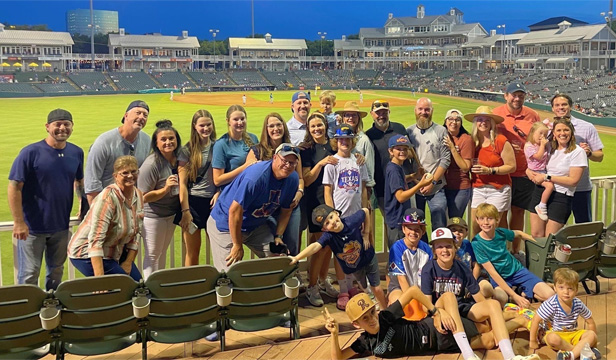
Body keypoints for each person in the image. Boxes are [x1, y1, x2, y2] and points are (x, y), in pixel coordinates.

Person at [324, 285, 540, 360]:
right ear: (356, 325)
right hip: (440, 346)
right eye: (365, 318)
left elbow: (414, 291)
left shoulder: (386, 316)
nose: (371, 319)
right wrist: (334, 334)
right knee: (489, 339)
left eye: (371, 312)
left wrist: (435, 312)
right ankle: (517, 317)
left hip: (435, 327)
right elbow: (339, 357)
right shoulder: (364, 343)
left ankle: (512, 316)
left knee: (483, 325)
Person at [422, 227, 537, 360]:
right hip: (443, 310)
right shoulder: (429, 269)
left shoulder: (462, 268)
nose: (445, 250)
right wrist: (438, 314)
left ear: (455, 247)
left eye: (448, 246)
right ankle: (469, 355)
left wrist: (494, 324)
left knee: (493, 304)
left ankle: (509, 356)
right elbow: (427, 305)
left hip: (462, 308)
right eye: (440, 247)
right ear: (434, 250)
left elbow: (479, 298)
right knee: (449, 295)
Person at [8, 109, 84, 290]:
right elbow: (14, 187)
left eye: (66, 124)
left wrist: (83, 205)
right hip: (32, 228)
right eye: (57, 124)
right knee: (29, 273)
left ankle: (51, 306)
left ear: (72, 127)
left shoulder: (76, 152)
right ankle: (27, 311)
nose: (62, 128)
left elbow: (79, 182)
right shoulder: (30, 152)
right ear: (47, 127)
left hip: (61, 226)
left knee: (56, 271)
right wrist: (19, 222)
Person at [207, 143, 299, 271]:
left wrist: (278, 236)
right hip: (226, 223)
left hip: (255, 226)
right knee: (229, 273)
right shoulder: (256, 177)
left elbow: (286, 210)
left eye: (292, 163)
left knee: (279, 261)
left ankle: (273, 289)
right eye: (284, 160)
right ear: (274, 158)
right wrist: (237, 244)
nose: (288, 165)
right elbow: (234, 211)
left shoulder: (292, 179)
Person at [290, 204, 387, 310]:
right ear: (324, 229)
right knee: (365, 288)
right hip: (354, 267)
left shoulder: (351, 222)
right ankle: (373, 303)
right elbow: (315, 247)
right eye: (327, 223)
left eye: (331, 217)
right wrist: (297, 258)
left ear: (336, 213)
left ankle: (385, 311)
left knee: (376, 287)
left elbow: (365, 211)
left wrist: (366, 233)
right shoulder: (329, 237)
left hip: (368, 258)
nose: (332, 222)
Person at [68, 156, 144, 281]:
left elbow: (135, 233)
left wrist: (128, 262)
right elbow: (96, 241)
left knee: (140, 287)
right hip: (86, 253)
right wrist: (100, 281)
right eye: (125, 173)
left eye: (133, 171)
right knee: (123, 287)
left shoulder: (138, 195)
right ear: (115, 176)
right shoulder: (107, 198)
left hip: (115, 251)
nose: (130, 176)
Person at [472, 203, 555, 308]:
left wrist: (538, 245)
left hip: (517, 271)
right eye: (482, 219)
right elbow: (493, 273)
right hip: (499, 276)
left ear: (497, 220)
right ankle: (519, 293)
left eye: (490, 218)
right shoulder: (476, 243)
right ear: (477, 220)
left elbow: (519, 233)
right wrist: (514, 296)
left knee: (550, 295)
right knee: (501, 299)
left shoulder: (500, 233)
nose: (486, 222)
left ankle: (524, 292)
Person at [322, 124, 369, 310]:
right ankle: (342, 288)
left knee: (352, 250)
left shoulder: (358, 161)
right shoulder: (332, 162)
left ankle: (350, 287)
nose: (344, 142)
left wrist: (365, 211)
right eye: (341, 139)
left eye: (348, 139)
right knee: (340, 253)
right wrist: (331, 215)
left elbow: (364, 189)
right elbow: (328, 191)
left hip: (355, 214)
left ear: (352, 141)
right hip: (339, 217)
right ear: (336, 141)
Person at [246, 112, 304, 256]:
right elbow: (247, 178)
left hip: (289, 205)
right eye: (271, 126)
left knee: (291, 244)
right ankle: (274, 277)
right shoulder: (257, 151)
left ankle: (292, 275)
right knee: (271, 246)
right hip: (265, 208)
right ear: (266, 129)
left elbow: (300, 178)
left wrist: (299, 192)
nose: (276, 129)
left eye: (279, 125)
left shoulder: (292, 150)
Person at [300, 112, 340, 306]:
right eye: (313, 126)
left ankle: (323, 280)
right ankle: (312, 285)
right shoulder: (306, 149)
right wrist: (321, 163)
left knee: (329, 246)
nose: (317, 129)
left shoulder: (333, 145)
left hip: (333, 201)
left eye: (320, 125)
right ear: (309, 129)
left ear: (325, 125)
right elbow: (307, 179)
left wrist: (358, 157)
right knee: (320, 246)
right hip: (315, 203)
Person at [493, 82, 540, 248]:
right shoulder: (496, 114)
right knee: (500, 214)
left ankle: (515, 250)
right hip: (502, 172)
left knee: (519, 211)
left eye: (521, 95)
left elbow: (539, 139)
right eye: (514, 95)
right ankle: (502, 250)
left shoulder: (532, 115)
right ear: (506, 96)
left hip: (524, 173)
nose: (517, 98)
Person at [527, 119, 587, 238]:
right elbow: (533, 161)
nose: (562, 133)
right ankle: (534, 257)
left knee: (550, 238)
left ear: (571, 132)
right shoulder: (549, 148)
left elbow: (573, 181)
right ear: (553, 133)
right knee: (536, 234)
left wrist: (547, 177)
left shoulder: (577, 152)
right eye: (558, 130)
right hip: (541, 191)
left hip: (561, 196)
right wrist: (528, 171)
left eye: (566, 130)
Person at [137, 120, 181, 279]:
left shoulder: (178, 158)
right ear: (156, 143)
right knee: (153, 255)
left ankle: (158, 285)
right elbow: (142, 197)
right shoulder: (151, 164)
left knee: (162, 253)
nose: (168, 142)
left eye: (171, 138)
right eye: (163, 139)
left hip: (171, 215)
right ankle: (148, 289)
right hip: (153, 217)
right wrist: (165, 189)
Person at [550, 94, 604, 224]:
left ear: (571, 106)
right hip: (555, 188)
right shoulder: (548, 128)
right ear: (552, 108)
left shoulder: (587, 126)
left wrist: (589, 153)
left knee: (583, 226)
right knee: (553, 228)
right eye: (557, 105)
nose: (561, 107)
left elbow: (600, 156)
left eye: (564, 104)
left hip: (580, 188)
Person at [85, 100, 150, 204]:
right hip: (107, 203)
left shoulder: (147, 141)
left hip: (131, 203)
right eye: (138, 113)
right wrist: (99, 213)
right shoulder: (103, 142)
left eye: (145, 115)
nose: (142, 117)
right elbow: (92, 182)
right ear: (126, 115)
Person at [529, 268, 601, 360]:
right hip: (555, 333)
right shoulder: (551, 303)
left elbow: (590, 320)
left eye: (570, 288)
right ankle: (581, 352)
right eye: (561, 287)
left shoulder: (577, 303)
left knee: (591, 334)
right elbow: (536, 319)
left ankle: (571, 355)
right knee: (552, 338)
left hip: (573, 333)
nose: (566, 292)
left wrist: (593, 340)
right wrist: (533, 340)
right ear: (555, 288)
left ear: (576, 290)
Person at [465, 106, 516, 234]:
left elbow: (511, 166)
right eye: (480, 119)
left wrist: (490, 170)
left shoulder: (500, 140)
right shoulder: (472, 141)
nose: (483, 123)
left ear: (492, 123)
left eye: (487, 120)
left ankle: (500, 251)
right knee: (477, 224)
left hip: (498, 189)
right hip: (478, 187)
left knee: (494, 226)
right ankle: (477, 252)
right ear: (475, 122)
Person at [177, 110, 217, 266]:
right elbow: (183, 184)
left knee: (219, 248)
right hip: (193, 204)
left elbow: (222, 175)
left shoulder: (218, 146)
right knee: (192, 252)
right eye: (202, 125)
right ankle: (190, 285)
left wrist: (219, 192)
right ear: (194, 126)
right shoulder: (186, 150)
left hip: (214, 204)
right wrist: (185, 211)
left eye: (208, 124)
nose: (206, 128)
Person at [407, 97, 450, 234]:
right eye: (420, 109)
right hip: (415, 187)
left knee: (439, 226)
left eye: (427, 109)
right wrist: (416, 181)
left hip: (436, 188)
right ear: (415, 110)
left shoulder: (440, 131)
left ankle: (439, 253)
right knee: (416, 227)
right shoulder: (409, 132)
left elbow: (445, 160)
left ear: (432, 111)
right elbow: (405, 161)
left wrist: (432, 182)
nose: (423, 112)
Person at [365, 100, 411, 216]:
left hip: (405, 184)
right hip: (383, 189)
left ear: (389, 112)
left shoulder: (399, 128)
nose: (381, 116)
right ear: (371, 114)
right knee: (391, 224)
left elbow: (411, 153)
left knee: (410, 222)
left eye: (384, 112)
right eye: (378, 113)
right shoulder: (368, 136)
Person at [384, 134, 431, 247]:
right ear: (391, 151)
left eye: (405, 149)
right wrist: (420, 184)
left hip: (397, 218)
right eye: (398, 149)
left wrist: (415, 175)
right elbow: (400, 197)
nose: (402, 152)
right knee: (398, 253)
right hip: (397, 219)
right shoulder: (394, 170)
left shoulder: (396, 166)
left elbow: (401, 181)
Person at [387, 208, 432, 320]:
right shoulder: (396, 248)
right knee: (398, 304)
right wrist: (413, 302)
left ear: (423, 231)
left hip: (421, 289)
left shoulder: (427, 249)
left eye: (417, 229)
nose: (413, 232)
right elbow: (401, 279)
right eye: (409, 228)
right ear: (403, 228)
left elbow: (429, 277)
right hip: (399, 288)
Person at [446, 217, 499, 302]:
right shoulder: (445, 248)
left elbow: (476, 265)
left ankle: (487, 305)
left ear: (466, 233)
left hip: (471, 277)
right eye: (453, 230)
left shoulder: (467, 244)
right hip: (454, 280)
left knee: (487, 288)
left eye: (461, 231)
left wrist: (472, 282)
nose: (457, 233)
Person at [211, 105, 258, 189]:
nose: (240, 122)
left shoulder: (253, 138)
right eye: (235, 119)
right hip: (233, 192)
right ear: (228, 121)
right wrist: (245, 167)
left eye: (242, 119)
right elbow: (217, 180)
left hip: (252, 190)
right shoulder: (221, 144)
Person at [336, 101, 376, 193]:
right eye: (347, 115)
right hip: (341, 188)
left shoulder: (364, 140)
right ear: (343, 118)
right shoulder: (337, 138)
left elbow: (369, 168)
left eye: (354, 115)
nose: (350, 118)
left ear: (358, 118)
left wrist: (368, 192)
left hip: (360, 190)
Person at [442, 109, 473, 218]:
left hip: (459, 188)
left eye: (457, 120)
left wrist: (452, 148)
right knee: (440, 222)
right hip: (441, 187)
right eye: (450, 119)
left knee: (454, 222)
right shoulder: (440, 135)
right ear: (445, 121)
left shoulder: (466, 139)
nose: (454, 122)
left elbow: (465, 167)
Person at [524, 122, 553, 221]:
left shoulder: (542, 145)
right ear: (533, 132)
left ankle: (542, 205)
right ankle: (541, 206)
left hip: (543, 171)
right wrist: (542, 145)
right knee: (549, 186)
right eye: (540, 133)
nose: (542, 137)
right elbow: (539, 156)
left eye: (544, 135)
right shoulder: (529, 146)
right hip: (535, 172)